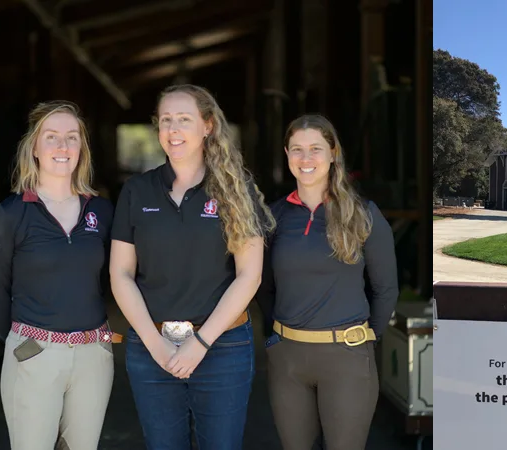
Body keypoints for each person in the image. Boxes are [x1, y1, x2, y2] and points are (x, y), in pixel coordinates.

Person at [109, 84, 273, 450]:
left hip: (222, 347)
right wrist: (155, 345)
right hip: (152, 346)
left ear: (208, 126)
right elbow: (120, 274)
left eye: (184, 119)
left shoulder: (235, 189)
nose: (174, 129)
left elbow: (250, 275)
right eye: (166, 120)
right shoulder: (137, 191)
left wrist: (200, 343)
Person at [257, 114, 399, 450]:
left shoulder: (363, 214)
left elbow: (385, 288)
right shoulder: (273, 217)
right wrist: (277, 338)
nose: (306, 159)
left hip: (346, 358)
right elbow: (263, 287)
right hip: (287, 358)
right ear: (287, 154)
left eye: (315, 149)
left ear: (333, 153)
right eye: (297, 149)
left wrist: (366, 340)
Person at [0, 100, 116, 450]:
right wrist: (24, 343)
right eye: (52, 137)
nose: (62, 146)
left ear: (81, 149)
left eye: (72, 138)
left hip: (93, 357)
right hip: (34, 351)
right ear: (35, 149)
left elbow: (108, 281)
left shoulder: (101, 211)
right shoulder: (11, 214)